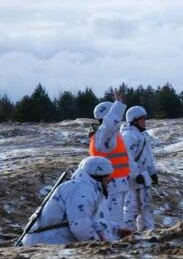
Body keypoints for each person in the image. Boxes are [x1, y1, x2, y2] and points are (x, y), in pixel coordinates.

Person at [22, 157, 129, 246]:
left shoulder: (89, 189)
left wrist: (116, 230)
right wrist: (98, 245)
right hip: (47, 240)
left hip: (55, 237)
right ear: (98, 177)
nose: (110, 179)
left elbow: (95, 220)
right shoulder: (81, 189)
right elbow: (80, 227)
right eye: (108, 176)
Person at [89, 89, 131, 229]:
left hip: (117, 183)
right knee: (114, 220)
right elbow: (110, 124)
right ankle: (114, 244)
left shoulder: (111, 135)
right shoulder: (105, 134)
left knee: (116, 217)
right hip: (111, 185)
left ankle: (115, 240)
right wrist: (118, 105)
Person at [121, 106, 157, 231]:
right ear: (133, 120)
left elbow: (148, 155)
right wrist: (136, 174)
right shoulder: (128, 136)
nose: (144, 121)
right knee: (132, 207)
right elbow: (127, 158)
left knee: (146, 206)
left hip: (143, 175)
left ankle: (147, 231)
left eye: (144, 119)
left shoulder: (142, 135)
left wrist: (152, 172)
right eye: (141, 119)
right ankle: (127, 232)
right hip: (133, 177)